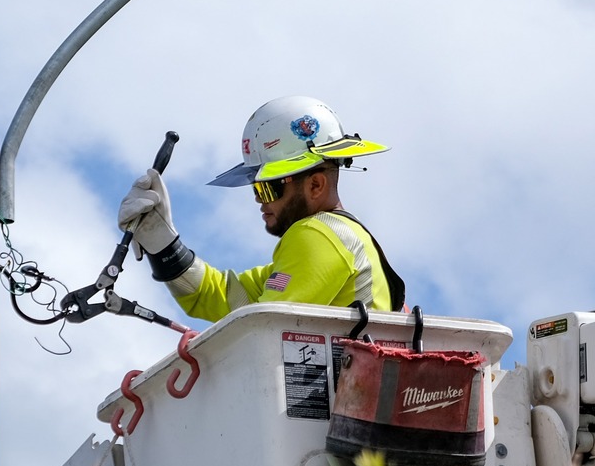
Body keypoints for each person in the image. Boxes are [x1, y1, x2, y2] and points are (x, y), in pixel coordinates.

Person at [116, 95, 405, 322]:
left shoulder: (318, 235)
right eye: (256, 187)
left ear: (315, 185)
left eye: (269, 187)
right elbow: (219, 296)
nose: (259, 199)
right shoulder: (328, 244)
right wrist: (163, 245)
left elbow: (262, 330)